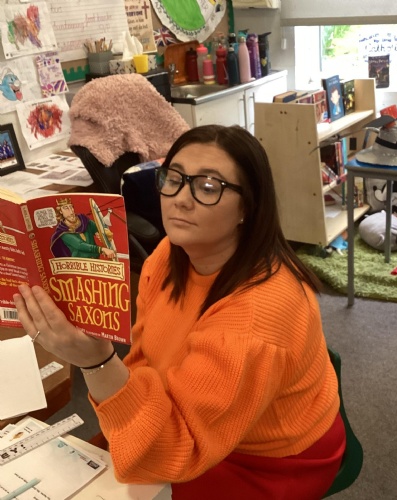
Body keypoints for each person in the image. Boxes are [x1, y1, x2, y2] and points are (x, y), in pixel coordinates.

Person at [13, 125, 346, 499]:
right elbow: (143, 359)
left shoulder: (255, 318)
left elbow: (174, 450)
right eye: (173, 179)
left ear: (247, 208)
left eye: (208, 187)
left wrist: (96, 363)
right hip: (194, 419)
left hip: (267, 459)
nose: (181, 200)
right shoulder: (169, 255)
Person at [50, 197, 116, 259]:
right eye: (66, 208)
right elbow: (79, 245)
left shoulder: (83, 220)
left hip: (96, 260)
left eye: (71, 207)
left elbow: (99, 229)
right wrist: (101, 249)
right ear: (60, 211)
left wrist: (105, 234)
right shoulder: (62, 232)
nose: (71, 211)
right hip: (80, 264)